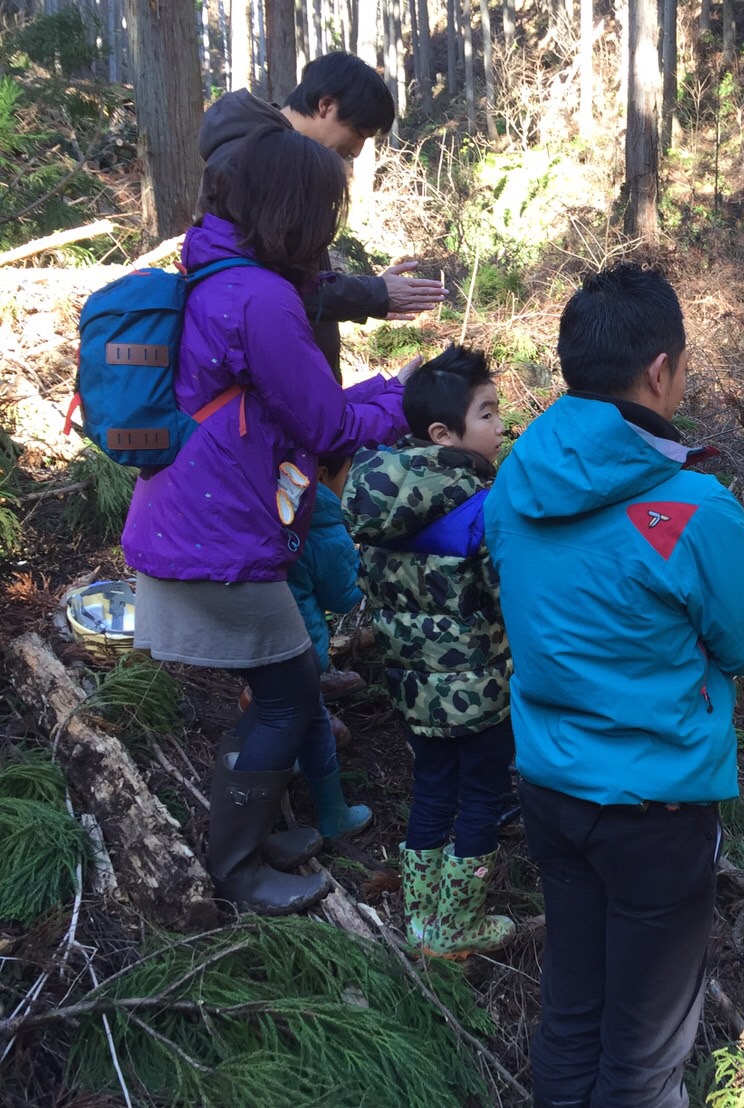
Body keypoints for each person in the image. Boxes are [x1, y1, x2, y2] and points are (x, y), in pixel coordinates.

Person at [485, 264, 744, 1107]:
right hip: (655, 809)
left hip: (552, 787)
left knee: (572, 1011)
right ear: (661, 370)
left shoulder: (514, 482)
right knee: (642, 1054)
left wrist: (739, 562)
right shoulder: (691, 507)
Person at [121, 125, 419, 917]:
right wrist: (406, 398)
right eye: (325, 206)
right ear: (292, 210)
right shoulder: (259, 297)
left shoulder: (216, 273)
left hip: (196, 516)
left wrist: (388, 391)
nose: (329, 224)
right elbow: (328, 428)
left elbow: (295, 414)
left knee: (280, 690)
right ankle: (238, 867)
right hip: (217, 537)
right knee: (290, 695)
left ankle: (251, 837)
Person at [342, 344, 517, 959]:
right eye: (488, 414)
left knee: (434, 789)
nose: (501, 426)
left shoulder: (382, 504)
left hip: (413, 688)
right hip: (479, 691)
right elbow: (509, 597)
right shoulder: (481, 511)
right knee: (483, 798)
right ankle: (456, 927)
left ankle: (420, 918)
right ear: (444, 432)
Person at [197, 51, 446, 379]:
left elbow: (291, 278)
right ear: (325, 106)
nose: (356, 151)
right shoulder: (259, 162)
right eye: (359, 133)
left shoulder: (278, 156)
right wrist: (376, 294)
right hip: (266, 386)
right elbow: (281, 291)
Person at [283, 455, 366, 744]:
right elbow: (342, 597)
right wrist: (364, 566)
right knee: (292, 700)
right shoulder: (325, 526)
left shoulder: (277, 503)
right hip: (298, 642)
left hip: (256, 627)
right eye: (348, 474)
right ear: (320, 475)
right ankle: (308, 718)